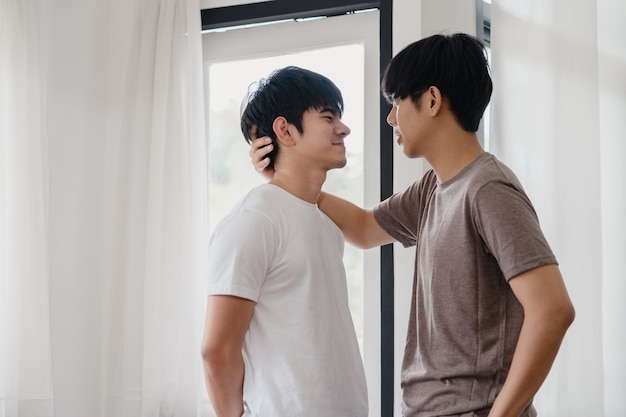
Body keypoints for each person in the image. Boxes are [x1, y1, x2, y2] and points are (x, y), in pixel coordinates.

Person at [250, 34, 575, 417]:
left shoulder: (488, 189)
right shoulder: (432, 189)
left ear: (432, 101)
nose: (391, 118)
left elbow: (553, 310)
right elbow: (365, 227)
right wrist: (285, 178)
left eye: (396, 103)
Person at [201, 66, 368, 417]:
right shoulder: (255, 220)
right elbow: (217, 349)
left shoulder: (323, 222)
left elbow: (370, 228)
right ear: (285, 130)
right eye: (328, 117)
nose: (344, 128)